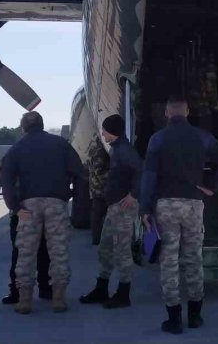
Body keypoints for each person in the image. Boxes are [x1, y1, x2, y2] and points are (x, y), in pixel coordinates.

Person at [141, 96, 218, 334]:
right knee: (193, 258)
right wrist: (212, 186)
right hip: (194, 203)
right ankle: (195, 316)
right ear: (188, 112)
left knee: (169, 261)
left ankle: (173, 319)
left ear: (166, 113)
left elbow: (149, 176)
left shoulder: (158, 139)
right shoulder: (202, 137)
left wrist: (145, 209)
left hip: (166, 205)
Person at [1, 111, 84, 314]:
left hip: (28, 206)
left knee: (26, 253)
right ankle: (58, 298)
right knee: (59, 252)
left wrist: (14, 207)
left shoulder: (17, 148)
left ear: (23, 127)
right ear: (42, 124)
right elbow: (80, 172)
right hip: (56, 203)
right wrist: (75, 197)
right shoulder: (60, 144)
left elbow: (7, 179)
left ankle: (25, 300)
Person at [80, 114, 143, 309]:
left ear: (111, 131)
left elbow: (141, 171)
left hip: (123, 207)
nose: (103, 134)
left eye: (105, 130)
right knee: (105, 247)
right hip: (114, 206)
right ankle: (102, 288)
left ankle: (123, 294)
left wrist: (134, 195)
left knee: (122, 250)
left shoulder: (124, 151)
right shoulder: (117, 149)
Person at [0, 161, 52, 305]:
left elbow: (4, 177)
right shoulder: (38, 160)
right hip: (33, 211)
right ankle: (43, 288)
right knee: (41, 251)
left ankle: (17, 292)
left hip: (20, 212)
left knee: (21, 253)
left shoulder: (13, 157)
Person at [88, 144, 111, 245]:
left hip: (98, 189)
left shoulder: (98, 150)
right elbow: (98, 171)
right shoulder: (101, 152)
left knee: (98, 215)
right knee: (98, 215)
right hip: (100, 189)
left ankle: (97, 238)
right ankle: (97, 238)